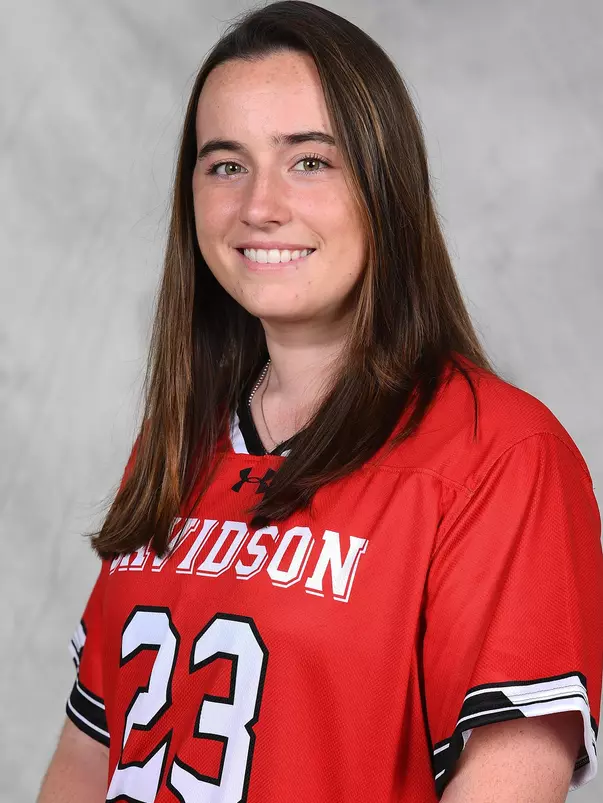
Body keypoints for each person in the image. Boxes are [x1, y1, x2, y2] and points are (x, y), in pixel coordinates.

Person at [37, 2, 603, 801]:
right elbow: (87, 759)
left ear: (384, 182)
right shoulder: (176, 445)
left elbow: (508, 781)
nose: (259, 206)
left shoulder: (498, 454)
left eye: (309, 161)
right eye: (224, 164)